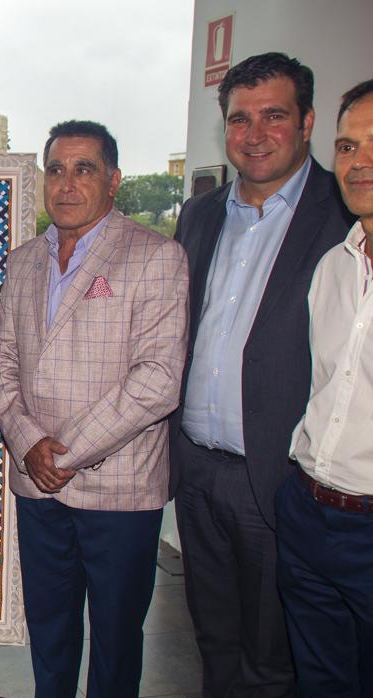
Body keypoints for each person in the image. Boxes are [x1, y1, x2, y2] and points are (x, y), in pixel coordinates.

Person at [169, 53, 355, 697]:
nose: (254, 134)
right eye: (240, 118)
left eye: (273, 116)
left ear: (306, 122)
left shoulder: (344, 215)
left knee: (277, 659)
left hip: (277, 480)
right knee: (214, 643)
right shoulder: (199, 215)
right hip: (195, 473)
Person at [0, 120, 188, 697]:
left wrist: (65, 451)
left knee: (117, 644)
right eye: (56, 170)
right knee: (49, 635)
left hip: (118, 488)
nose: (67, 185)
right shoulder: (25, 261)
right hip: (38, 485)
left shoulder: (156, 256)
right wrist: (27, 442)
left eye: (84, 169)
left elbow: (158, 380)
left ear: (114, 181)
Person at [277, 78, 373, 697]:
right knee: (321, 683)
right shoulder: (333, 267)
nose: (359, 162)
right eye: (347, 146)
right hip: (309, 513)